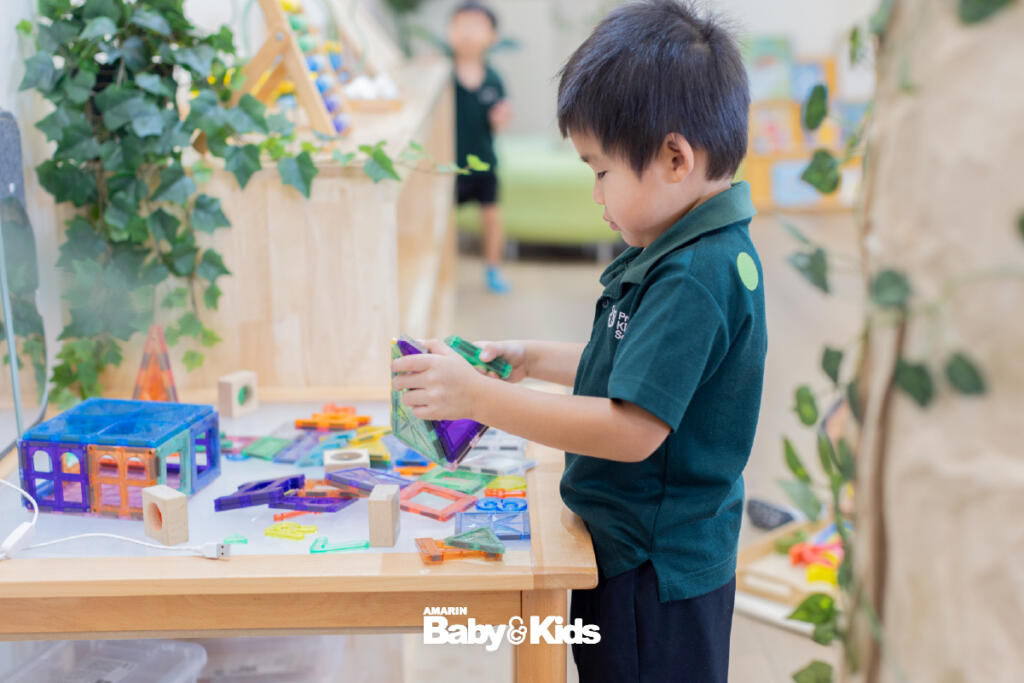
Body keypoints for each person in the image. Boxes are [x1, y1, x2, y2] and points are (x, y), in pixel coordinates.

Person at [394, 1, 763, 680]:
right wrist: (533, 358)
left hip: (654, 571)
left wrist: (478, 398)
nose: (595, 194)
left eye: (600, 171)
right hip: (632, 547)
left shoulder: (695, 274)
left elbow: (632, 428)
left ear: (675, 158)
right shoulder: (679, 245)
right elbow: (633, 364)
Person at [448, 1, 512, 294]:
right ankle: (445, 269)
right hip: (449, 165)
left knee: (492, 216)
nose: (467, 32)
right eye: (460, 25)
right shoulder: (443, 77)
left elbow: (499, 120)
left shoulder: (494, 79)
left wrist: (501, 119)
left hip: (484, 162)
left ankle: (493, 269)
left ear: (492, 36)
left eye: (476, 26)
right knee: (443, 220)